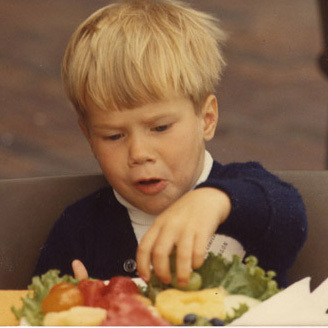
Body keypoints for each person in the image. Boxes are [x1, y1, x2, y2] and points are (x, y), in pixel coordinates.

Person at [34, 0, 307, 288]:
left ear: (207, 119)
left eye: (160, 127)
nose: (139, 153)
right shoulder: (79, 229)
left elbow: (291, 216)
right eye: (113, 136)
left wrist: (216, 201)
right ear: (88, 136)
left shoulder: (248, 192)